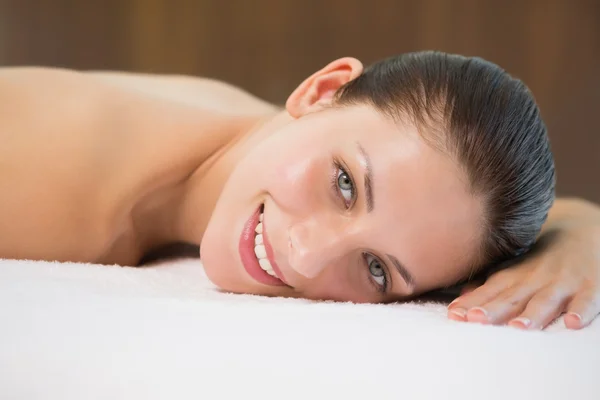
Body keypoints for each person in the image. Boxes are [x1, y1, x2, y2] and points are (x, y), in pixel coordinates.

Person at [1, 51, 598, 330]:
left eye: (376, 269)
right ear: (320, 90)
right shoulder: (42, 166)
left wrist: (579, 232)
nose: (307, 256)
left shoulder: (283, 135)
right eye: (344, 185)